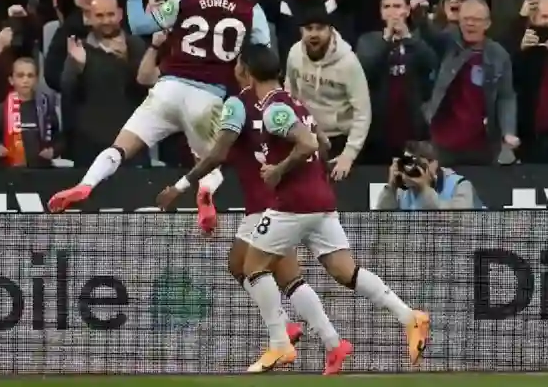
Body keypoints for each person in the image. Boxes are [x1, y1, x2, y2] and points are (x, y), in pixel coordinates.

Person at [157, 44, 354, 374]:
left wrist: (180, 186)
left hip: (270, 202)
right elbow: (321, 144)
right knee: (255, 268)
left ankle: (289, 339)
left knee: (260, 269)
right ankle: (324, 340)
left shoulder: (239, 104)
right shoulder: (278, 102)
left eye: (238, 63)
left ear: (244, 69)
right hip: (272, 199)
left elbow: (219, 154)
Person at [48, 0, 272, 234]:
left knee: (120, 147)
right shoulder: (251, 10)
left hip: (168, 89)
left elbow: (139, 25)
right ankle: (204, 194)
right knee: (210, 164)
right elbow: (263, 55)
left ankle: (85, 184)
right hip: (209, 97)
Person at [235, 43, 429, 373]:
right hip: (321, 202)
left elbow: (309, 143)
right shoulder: (297, 103)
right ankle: (409, 317)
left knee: (250, 266)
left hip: (293, 204)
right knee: (345, 271)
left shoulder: (272, 109)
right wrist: (316, 173)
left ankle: (280, 345)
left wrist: (279, 170)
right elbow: (322, 142)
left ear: (248, 71)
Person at [377, 141, 485, 210]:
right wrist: (391, 187)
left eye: (417, 163)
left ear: (434, 163)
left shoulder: (460, 186)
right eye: (407, 163)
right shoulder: (403, 189)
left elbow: (459, 223)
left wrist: (425, 189)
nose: (411, 168)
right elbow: (381, 222)